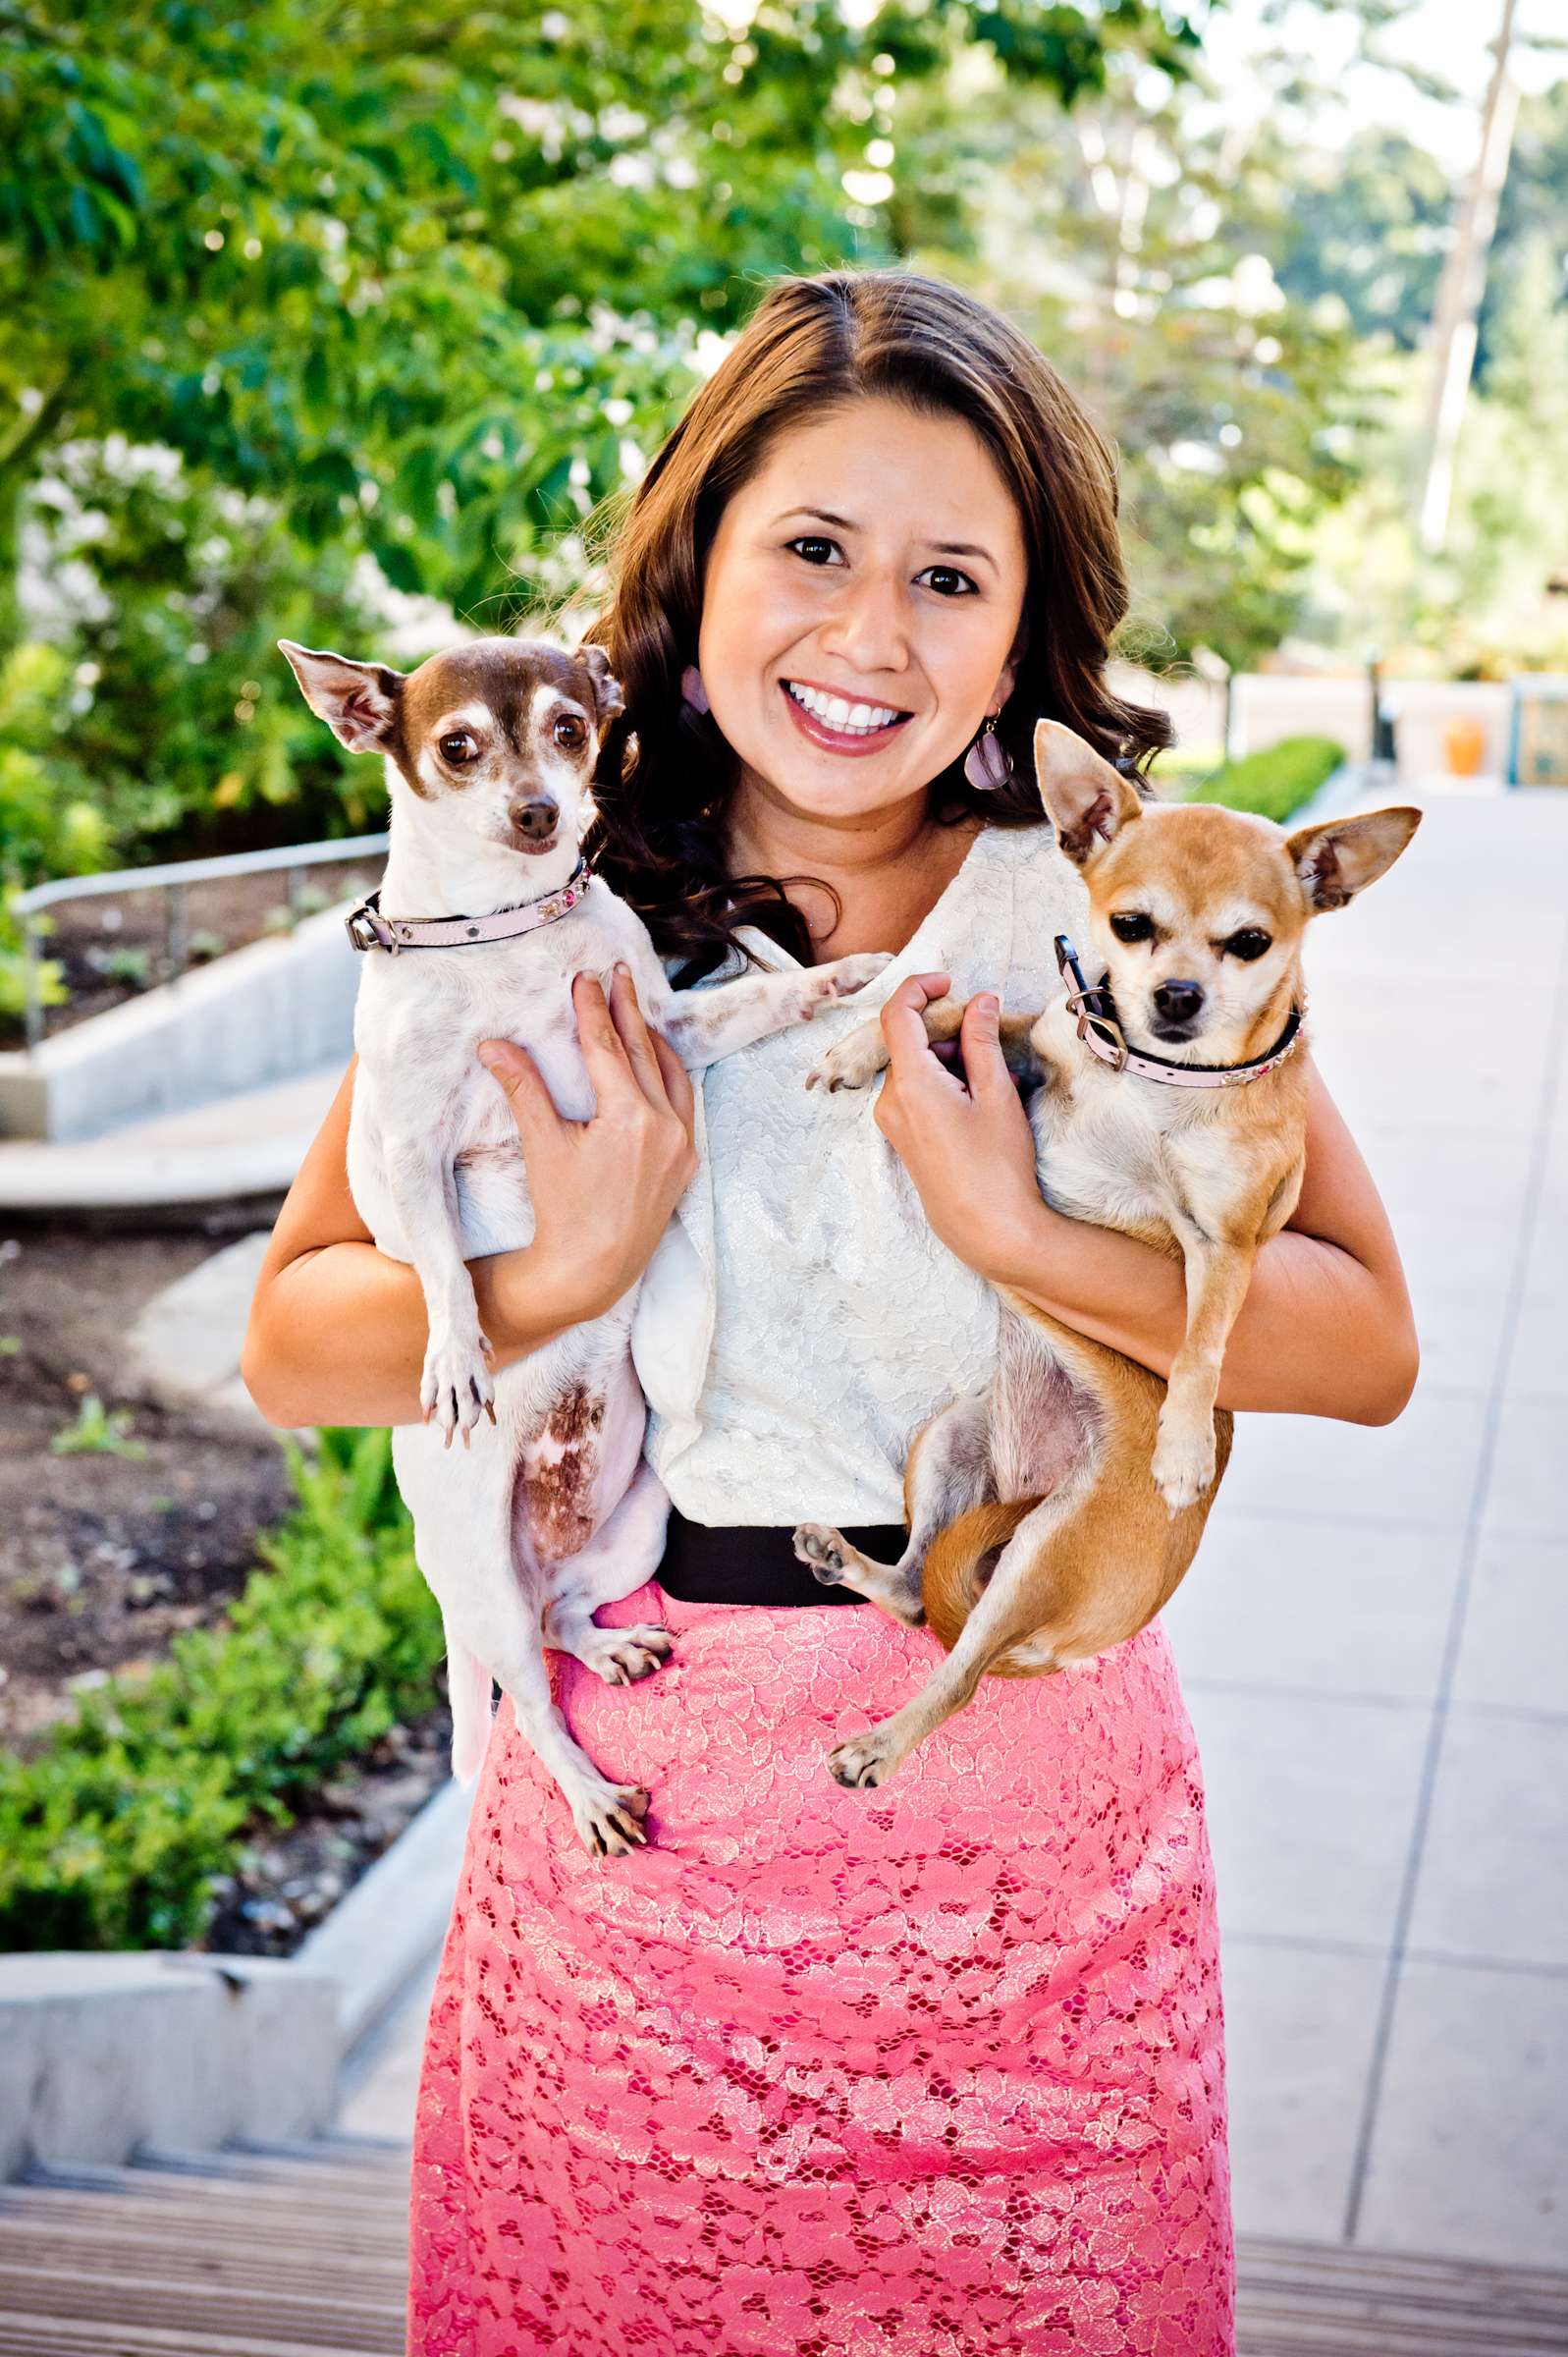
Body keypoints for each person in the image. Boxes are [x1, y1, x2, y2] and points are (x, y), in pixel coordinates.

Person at [243, 269, 1418, 2357]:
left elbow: (1359, 1340)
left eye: (948, 578)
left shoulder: (1114, 905)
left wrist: (1030, 1232)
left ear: (1018, 632)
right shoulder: (535, 907)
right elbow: (297, 1341)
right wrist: (569, 1265)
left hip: (1020, 1833)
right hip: (633, 1848)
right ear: (694, 574)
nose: (870, 635)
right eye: (809, 551)